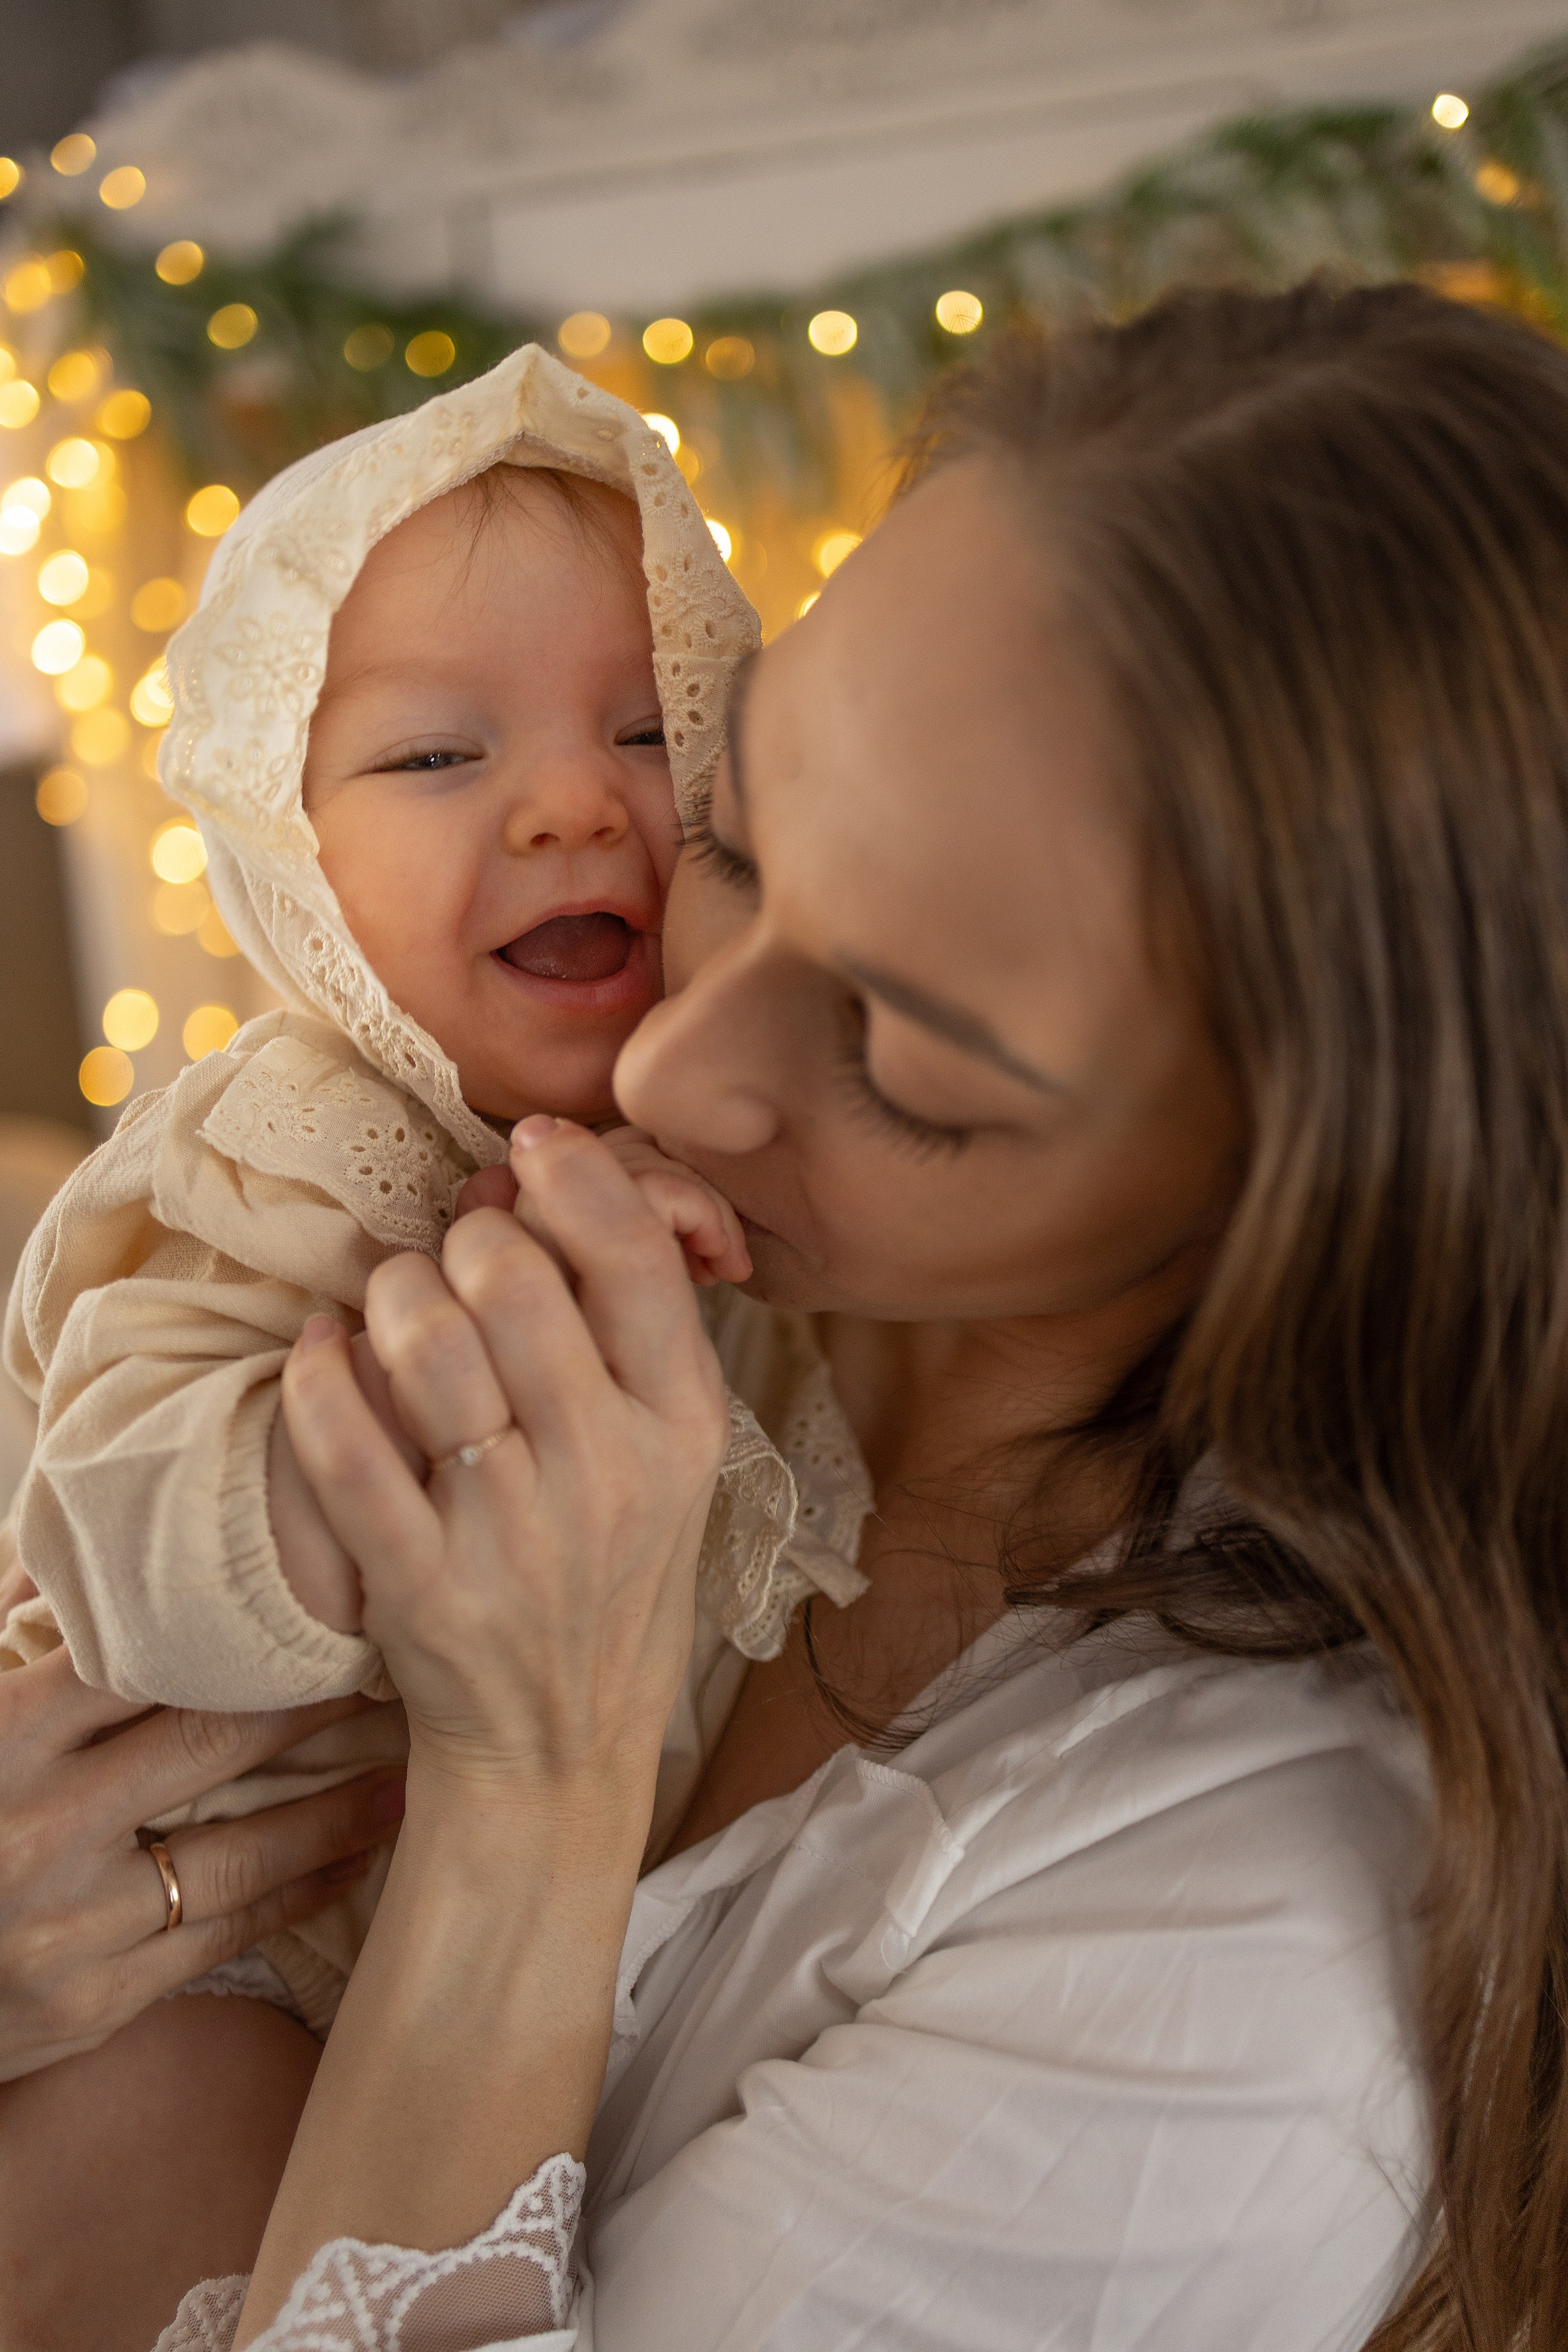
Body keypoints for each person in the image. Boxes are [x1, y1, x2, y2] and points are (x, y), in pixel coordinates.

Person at [6, 277, 1565, 2350]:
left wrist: (530, 1779)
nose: (670, 1075)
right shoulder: (481, 1168)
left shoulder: (1244, 1928)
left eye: (910, 1063)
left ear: (1301, 1194)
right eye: (732, 828)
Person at [0, 349, 874, 2343]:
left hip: (509, 1974)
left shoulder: (729, 1136)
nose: (574, 803)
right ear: (286, 856)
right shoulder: (271, 1164)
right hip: (183, 1950)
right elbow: (124, 1572)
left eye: (655, 731)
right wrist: (413, 1397)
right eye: (431, 759)